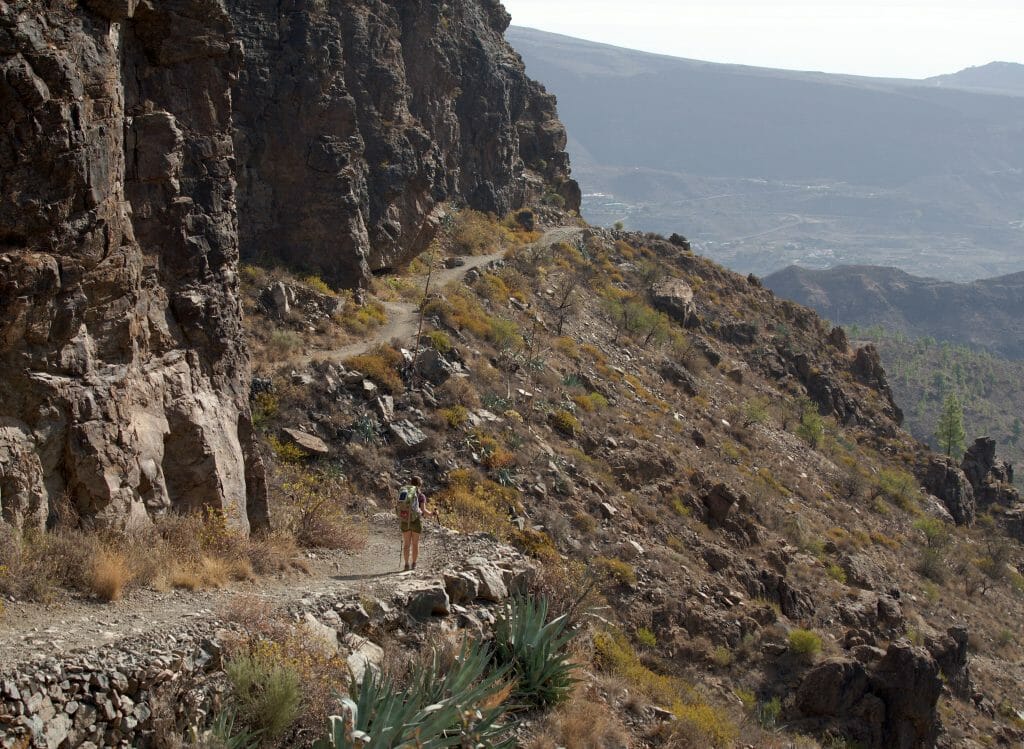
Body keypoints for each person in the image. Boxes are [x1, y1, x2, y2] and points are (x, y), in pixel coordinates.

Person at [398, 476, 432, 571]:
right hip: (416, 520)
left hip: (405, 519)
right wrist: (432, 514)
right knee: (415, 544)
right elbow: (423, 510)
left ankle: (406, 565)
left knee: (406, 544)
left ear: (410, 483)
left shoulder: (404, 492)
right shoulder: (421, 496)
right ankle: (414, 564)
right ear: (420, 485)